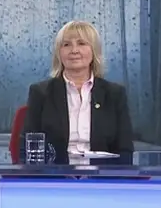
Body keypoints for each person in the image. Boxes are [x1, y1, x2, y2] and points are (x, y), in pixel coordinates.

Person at [22, 20, 134, 165]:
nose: (74, 50)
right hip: (55, 174)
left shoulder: (114, 94)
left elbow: (125, 149)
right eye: (66, 45)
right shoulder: (41, 93)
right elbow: (26, 146)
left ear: (94, 50)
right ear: (58, 53)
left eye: (81, 43)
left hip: (102, 175)